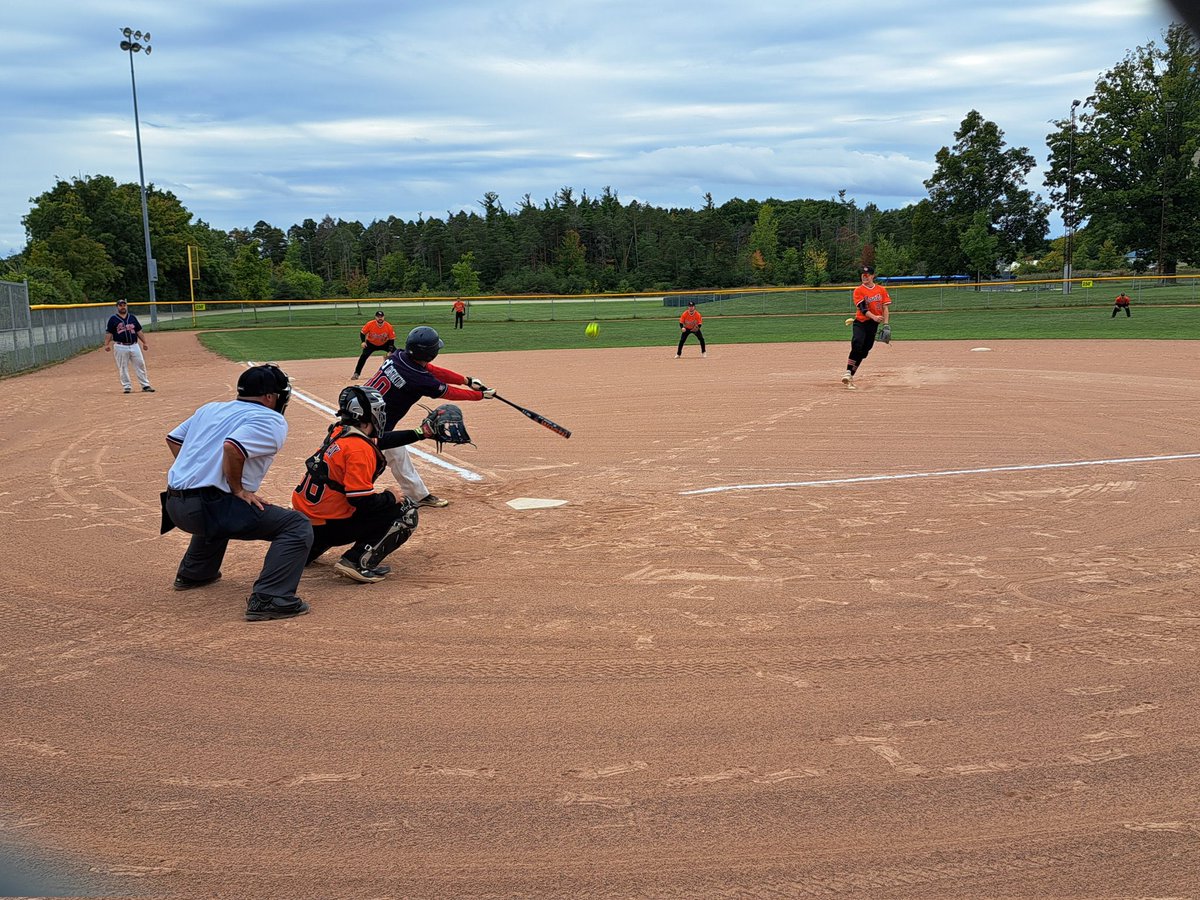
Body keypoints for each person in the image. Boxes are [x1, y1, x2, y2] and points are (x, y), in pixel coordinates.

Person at [162, 364, 313, 622]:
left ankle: (195, 572)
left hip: (175, 505)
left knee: (223, 504)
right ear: (270, 397)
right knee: (296, 525)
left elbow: (174, 439)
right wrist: (237, 488)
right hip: (207, 509)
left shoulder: (211, 409)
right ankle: (269, 599)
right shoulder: (271, 419)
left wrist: (198, 473)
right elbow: (233, 447)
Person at [292, 385, 422, 584]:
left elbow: (379, 441)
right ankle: (356, 561)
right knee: (406, 509)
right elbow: (361, 501)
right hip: (330, 526)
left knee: (337, 496)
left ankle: (308, 550)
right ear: (369, 414)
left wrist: (421, 433)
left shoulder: (338, 431)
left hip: (304, 522)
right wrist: (390, 497)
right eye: (379, 410)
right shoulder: (359, 448)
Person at [364, 325, 495, 509]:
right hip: (368, 430)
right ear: (430, 353)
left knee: (398, 453)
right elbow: (449, 393)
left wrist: (466, 380)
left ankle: (418, 495)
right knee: (364, 468)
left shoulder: (398, 356)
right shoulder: (419, 379)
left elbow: (431, 370)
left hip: (363, 415)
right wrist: (480, 396)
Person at [842, 265, 891, 390]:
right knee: (857, 343)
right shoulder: (858, 290)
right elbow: (863, 309)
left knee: (864, 352)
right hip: (861, 322)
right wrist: (874, 317)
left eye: (867, 275)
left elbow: (885, 308)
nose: (865, 277)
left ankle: (850, 376)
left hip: (873, 325)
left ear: (872, 276)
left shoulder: (881, 290)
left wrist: (886, 325)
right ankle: (848, 372)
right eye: (863, 275)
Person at [104, 299, 155, 393]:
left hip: (134, 345)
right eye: (120, 305)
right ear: (117, 307)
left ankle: (145, 385)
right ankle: (127, 386)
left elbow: (138, 331)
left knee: (140, 364)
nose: (123, 307)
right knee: (123, 367)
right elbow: (109, 332)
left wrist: (144, 342)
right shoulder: (113, 319)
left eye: (124, 305)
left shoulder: (132, 317)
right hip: (120, 346)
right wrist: (106, 344)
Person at [352, 310, 396, 379]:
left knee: (396, 353)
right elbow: (362, 333)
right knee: (363, 356)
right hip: (371, 344)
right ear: (375, 317)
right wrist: (363, 342)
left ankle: (400, 372)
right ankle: (356, 373)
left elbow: (391, 339)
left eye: (381, 316)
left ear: (384, 317)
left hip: (384, 343)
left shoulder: (388, 326)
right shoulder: (370, 324)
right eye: (378, 317)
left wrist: (390, 351)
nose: (380, 318)